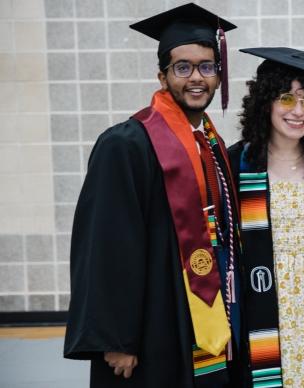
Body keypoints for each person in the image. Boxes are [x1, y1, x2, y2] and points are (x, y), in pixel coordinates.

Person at [64, 3, 242, 387]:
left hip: (207, 319)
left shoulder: (212, 144)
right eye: (183, 67)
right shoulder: (126, 145)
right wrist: (116, 339)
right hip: (153, 328)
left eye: (207, 67)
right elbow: (104, 247)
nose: (196, 78)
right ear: (162, 76)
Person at [226, 47, 304, 387]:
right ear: (265, 102)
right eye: (286, 98)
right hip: (260, 308)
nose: (299, 111)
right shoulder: (236, 165)